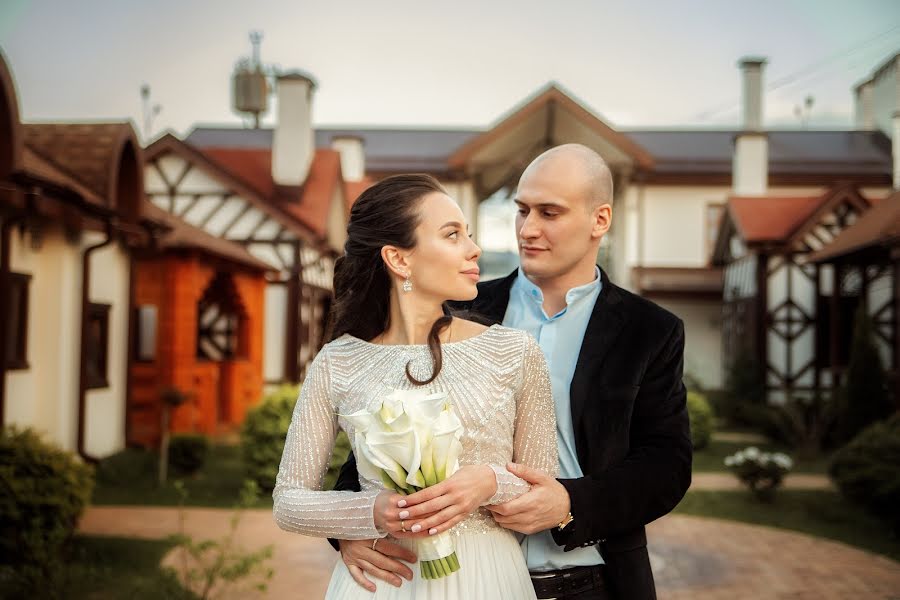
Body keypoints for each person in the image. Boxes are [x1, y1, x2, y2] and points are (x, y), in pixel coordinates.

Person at [331, 145, 693, 600]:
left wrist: (570, 503)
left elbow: (667, 464)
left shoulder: (650, 330)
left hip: (591, 581)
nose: (529, 229)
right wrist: (350, 525)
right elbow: (375, 426)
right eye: (521, 210)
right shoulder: (454, 307)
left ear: (600, 220)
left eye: (550, 212)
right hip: (455, 583)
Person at [272, 173, 559, 599]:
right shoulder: (337, 362)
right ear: (399, 259)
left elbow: (543, 489)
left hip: (486, 579)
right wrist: (371, 511)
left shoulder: (515, 353)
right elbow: (289, 502)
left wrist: (487, 482)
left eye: (469, 234)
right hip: (383, 583)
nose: (473, 248)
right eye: (452, 235)